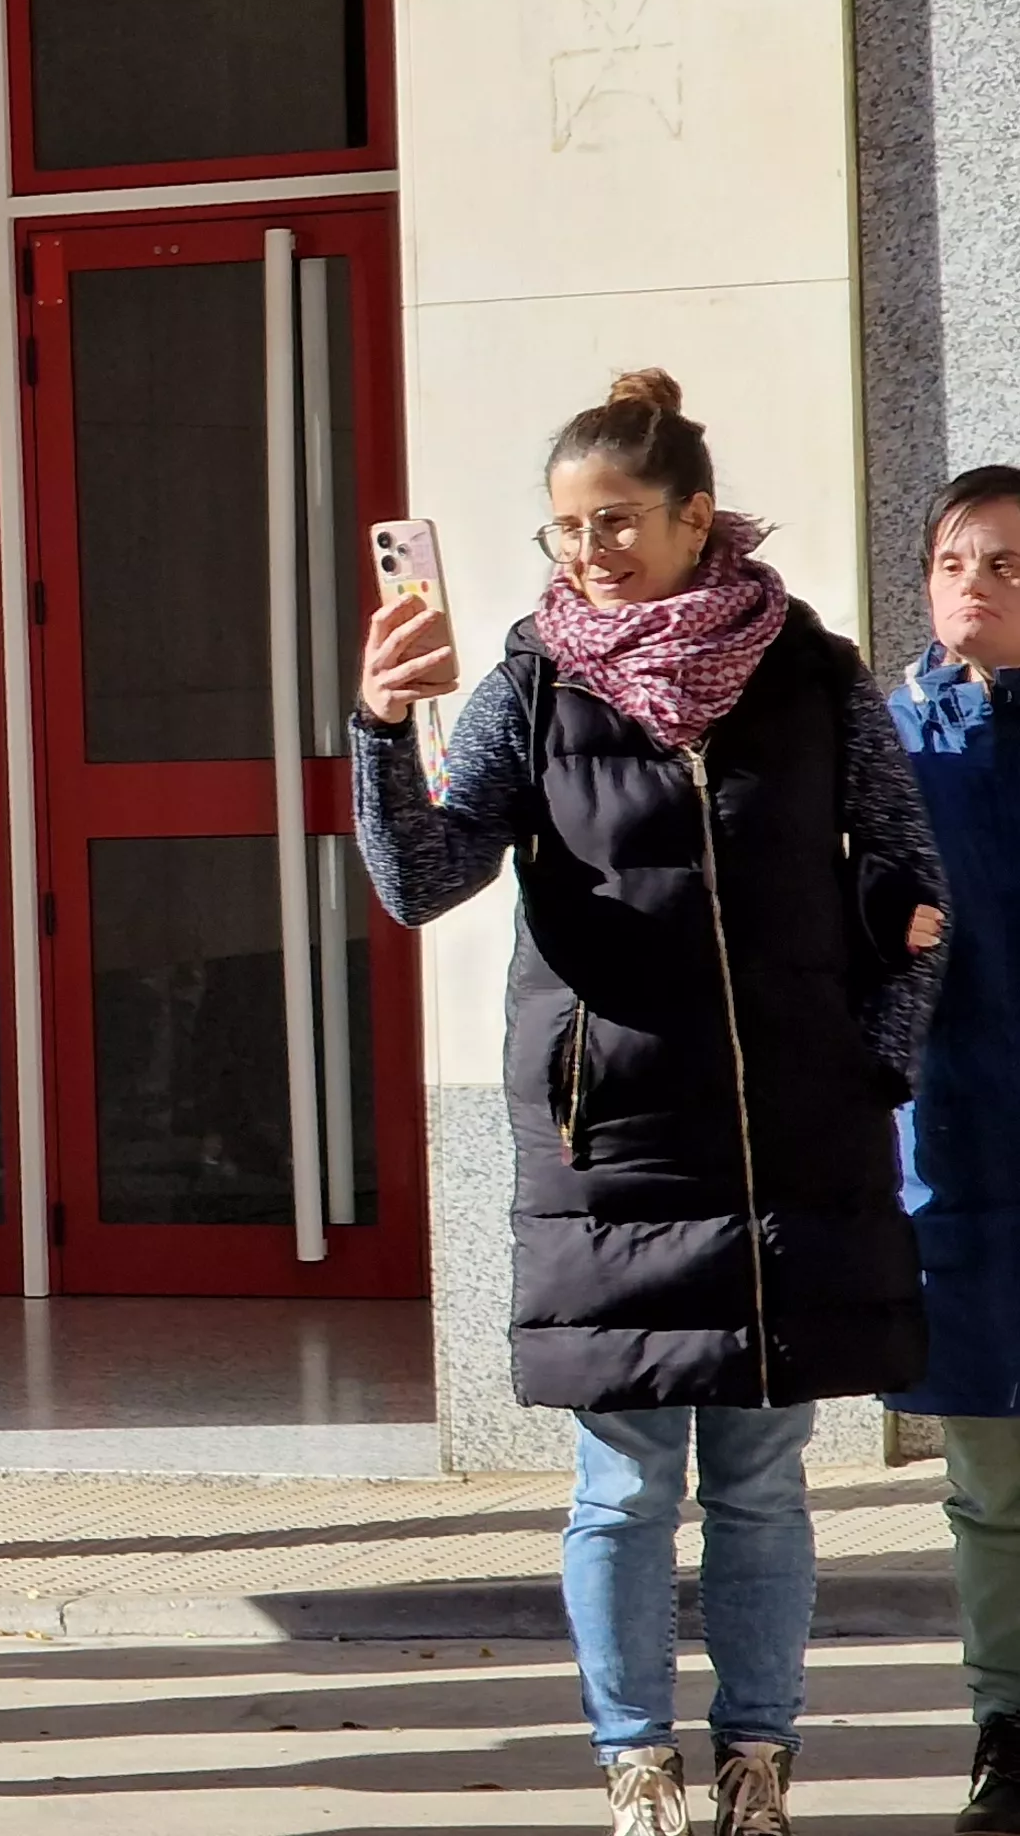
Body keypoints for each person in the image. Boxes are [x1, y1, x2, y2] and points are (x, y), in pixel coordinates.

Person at [353, 369, 942, 1836]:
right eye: (564, 531)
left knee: (758, 1474)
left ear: (696, 520)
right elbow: (425, 879)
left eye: (615, 522)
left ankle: (757, 1762)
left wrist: (882, 1055)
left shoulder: (811, 674)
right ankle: (636, 1766)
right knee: (621, 1485)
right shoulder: (534, 682)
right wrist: (376, 727)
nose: (588, 554)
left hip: (789, 1128)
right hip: (606, 1138)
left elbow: (912, 880)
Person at [885, 465, 1020, 1835]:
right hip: (963, 1149)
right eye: (951, 561)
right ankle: (1008, 1725)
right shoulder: (889, 745)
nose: (972, 583)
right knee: (993, 1477)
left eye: (1004, 564)